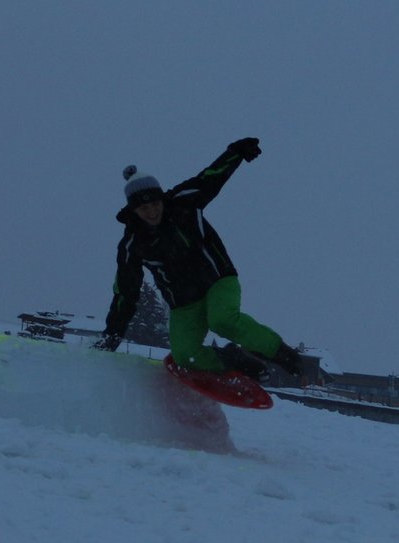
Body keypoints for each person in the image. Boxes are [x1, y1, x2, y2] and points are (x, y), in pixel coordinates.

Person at [99, 137, 303, 379]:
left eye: (155, 204)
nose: (152, 212)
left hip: (218, 280)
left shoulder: (183, 202)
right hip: (184, 303)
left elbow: (211, 177)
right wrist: (112, 336)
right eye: (144, 209)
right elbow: (125, 292)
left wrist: (236, 152)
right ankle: (233, 361)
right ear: (134, 211)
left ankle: (282, 353)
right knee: (185, 355)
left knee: (222, 320)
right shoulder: (133, 244)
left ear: (161, 199)